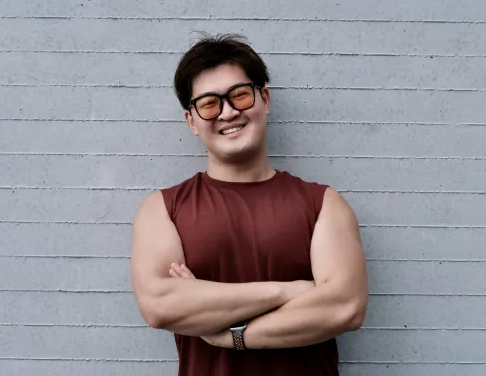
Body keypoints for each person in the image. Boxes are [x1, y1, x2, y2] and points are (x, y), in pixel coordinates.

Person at [131, 34, 368, 376]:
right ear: (192, 121)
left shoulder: (323, 205)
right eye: (209, 103)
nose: (228, 112)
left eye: (239, 95)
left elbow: (345, 308)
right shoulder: (162, 209)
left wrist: (232, 336)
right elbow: (160, 306)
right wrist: (288, 291)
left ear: (264, 99)